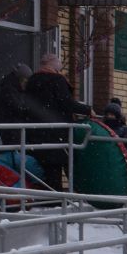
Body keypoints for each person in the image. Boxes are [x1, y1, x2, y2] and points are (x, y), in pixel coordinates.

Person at [22, 52, 89, 190]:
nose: (60, 69)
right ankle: (60, 198)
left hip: (35, 135)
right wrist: (88, 110)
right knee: (57, 170)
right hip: (55, 135)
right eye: (58, 65)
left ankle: (45, 197)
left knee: (41, 171)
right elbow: (67, 103)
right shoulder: (56, 80)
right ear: (52, 64)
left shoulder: (32, 81)